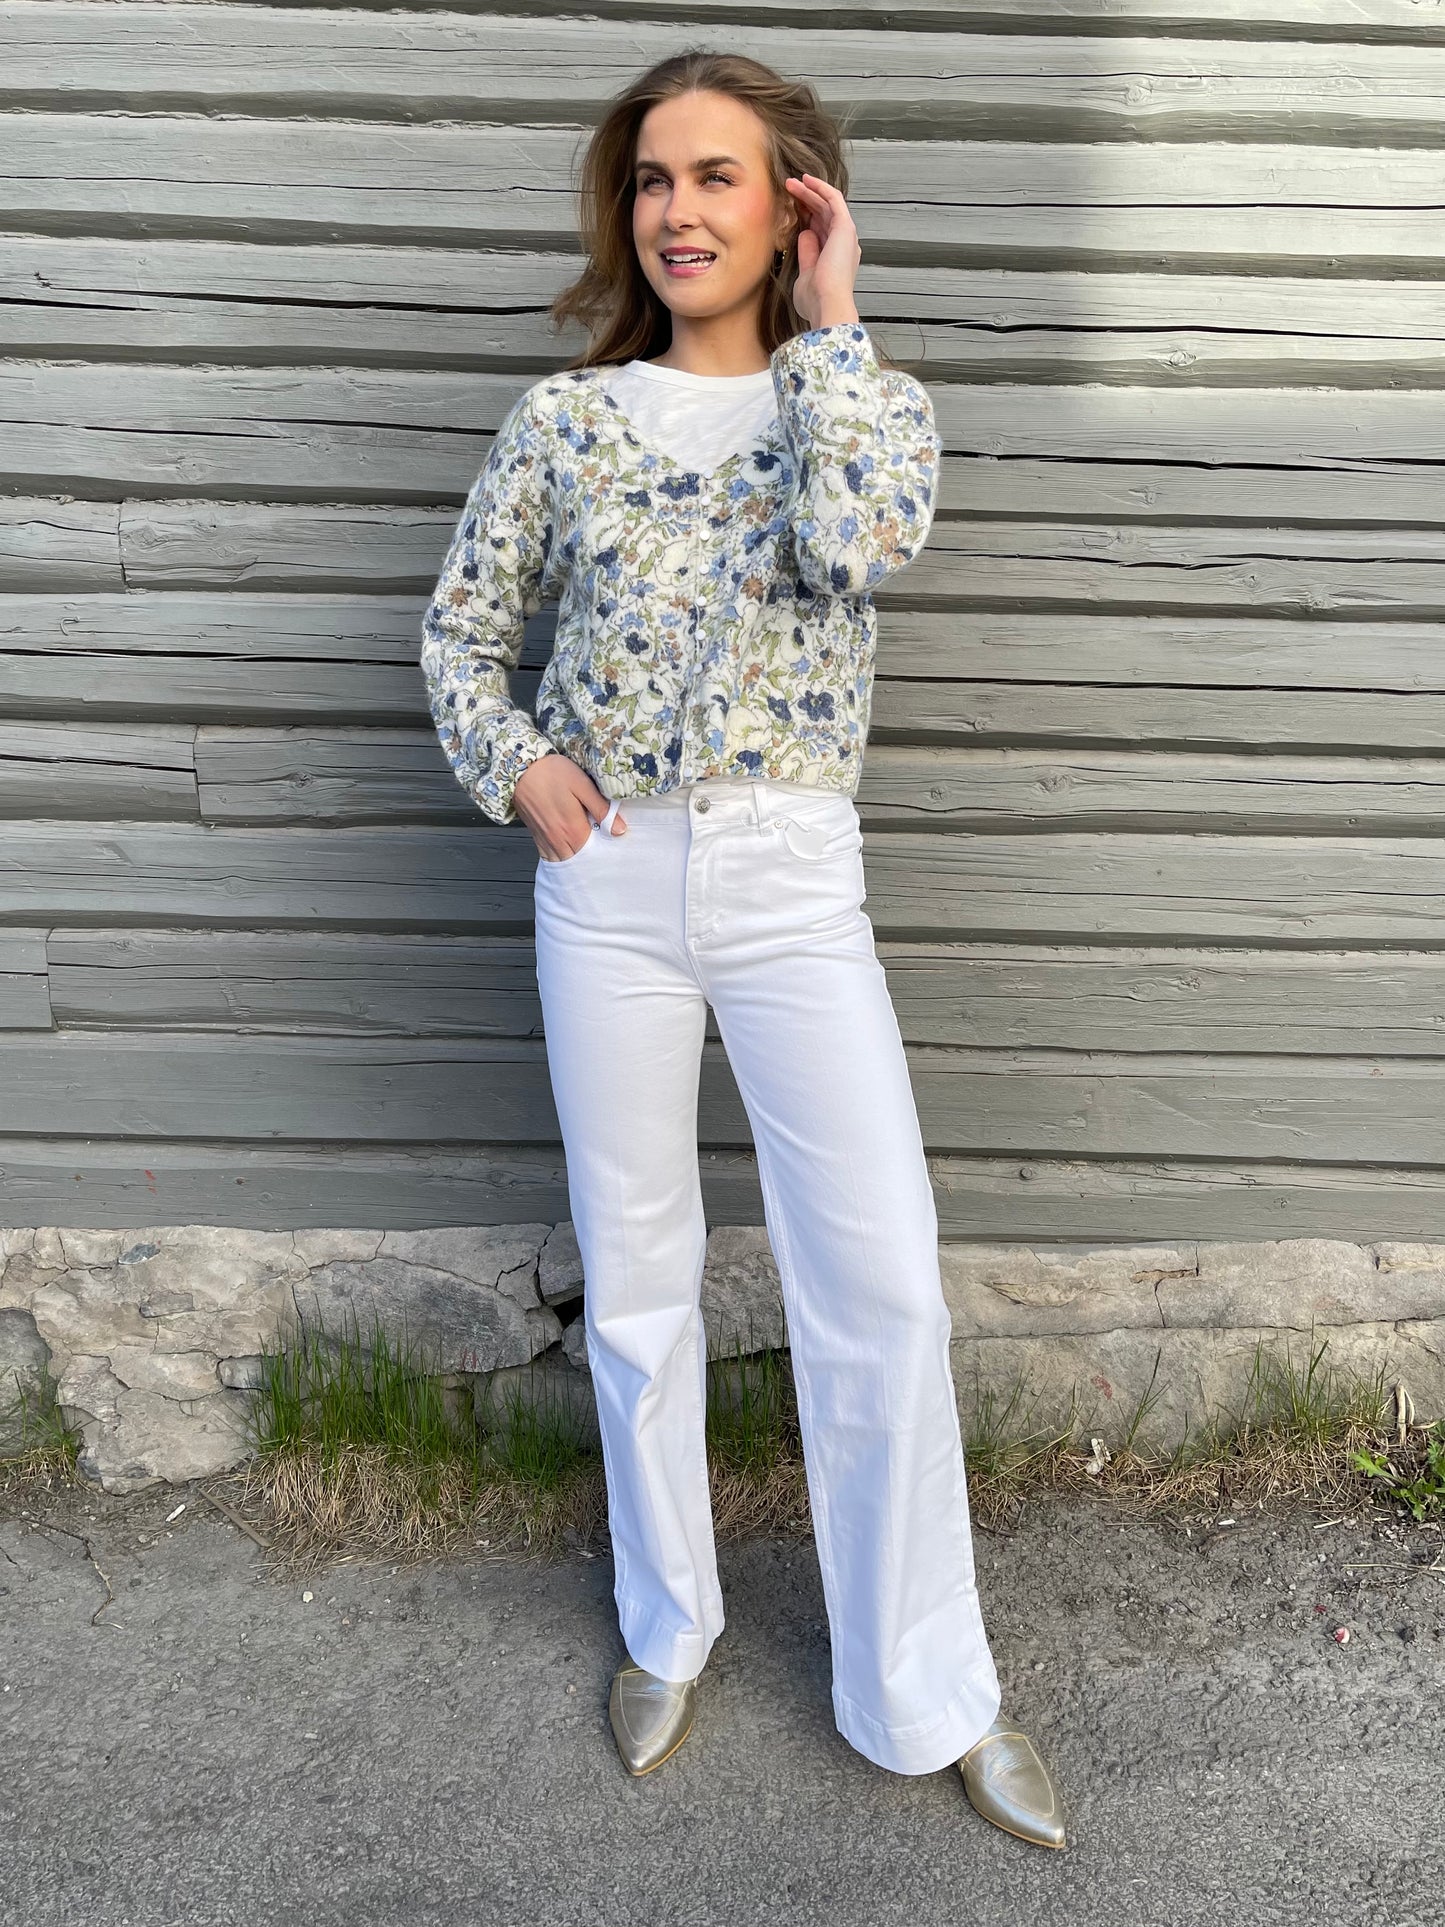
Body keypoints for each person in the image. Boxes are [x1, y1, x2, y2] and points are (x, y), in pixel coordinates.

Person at [420, 50, 1066, 1850]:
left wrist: (835, 323)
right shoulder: (564, 423)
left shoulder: (860, 407)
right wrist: (521, 766)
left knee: (879, 1283)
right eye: (652, 180)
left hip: (792, 879)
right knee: (638, 1272)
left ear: (791, 208)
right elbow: (461, 635)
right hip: (610, 881)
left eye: (718, 177)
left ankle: (925, 1688)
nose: (678, 212)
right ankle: (667, 1625)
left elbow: (858, 552)